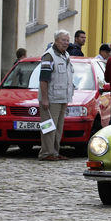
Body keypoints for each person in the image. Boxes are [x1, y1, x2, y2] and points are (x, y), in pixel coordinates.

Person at [37, 30, 74, 161]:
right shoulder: (49, 56)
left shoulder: (66, 55)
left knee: (58, 128)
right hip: (51, 99)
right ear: (56, 41)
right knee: (48, 126)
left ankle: (55, 152)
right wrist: (45, 99)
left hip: (62, 98)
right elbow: (43, 80)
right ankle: (46, 153)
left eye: (67, 40)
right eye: (63, 40)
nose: (66, 43)